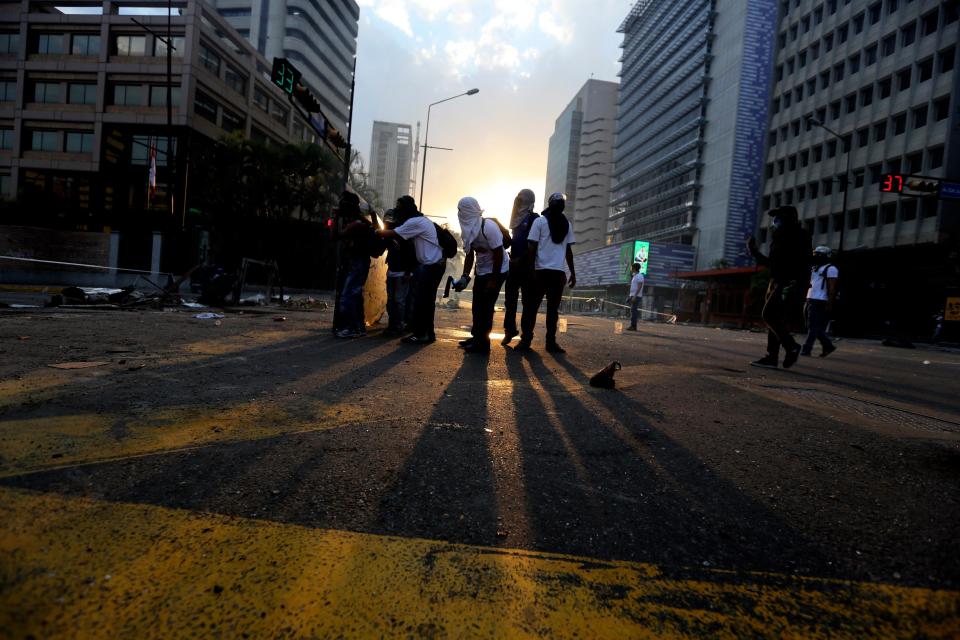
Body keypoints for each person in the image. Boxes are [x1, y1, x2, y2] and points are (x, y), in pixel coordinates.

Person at [747, 205, 812, 368]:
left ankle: (791, 347)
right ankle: (772, 356)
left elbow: (776, 263)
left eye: (778, 218)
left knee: (769, 315)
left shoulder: (789, 235)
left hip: (786, 283)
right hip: (781, 281)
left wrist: (753, 252)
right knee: (775, 319)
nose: (774, 222)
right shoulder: (791, 235)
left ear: (787, 219)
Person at [376, 195, 446, 345]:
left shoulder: (415, 222)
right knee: (426, 302)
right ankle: (427, 334)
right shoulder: (420, 220)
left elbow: (392, 233)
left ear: (407, 209)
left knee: (421, 302)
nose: (397, 211)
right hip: (432, 264)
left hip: (430, 266)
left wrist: (376, 230)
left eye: (400, 208)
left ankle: (420, 334)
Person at [516, 192, 576, 353]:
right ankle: (527, 340)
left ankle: (549, 342)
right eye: (558, 202)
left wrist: (572, 272)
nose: (560, 205)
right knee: (533, 308)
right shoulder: (540, 222)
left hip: (555, 273)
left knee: (549, 310)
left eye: (561, 203)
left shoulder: (566, 224)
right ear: (551, 204)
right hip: (541, 272)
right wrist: (531, 269)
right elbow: (532, 247)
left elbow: (568, 250)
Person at [455, 197, 509, 354]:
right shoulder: (467, 230)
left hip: (498, 270)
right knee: (477, 306)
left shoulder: (489, 227)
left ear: (470, 210)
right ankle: (476, 337)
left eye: (461, 210)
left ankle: (483, 344)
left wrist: (493, 280)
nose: (459, 213)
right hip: (482, 270)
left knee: (485, 307)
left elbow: (499, 254)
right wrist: (465, 277)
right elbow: (470, 255)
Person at [334, 191, 376, 339]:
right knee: (355, 296)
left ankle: (349, 328)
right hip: (356, 262)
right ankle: (359, 327)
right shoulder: (361, 221)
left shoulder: (357, 223)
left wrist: (336, 217)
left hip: (358, 262)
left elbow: (337, 235)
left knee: (348, 295)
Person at [501, 189, 538, 345]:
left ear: (529, 202)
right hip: (513, 266)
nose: (518, 203)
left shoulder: (534, 219)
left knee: (528, 303)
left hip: (528, 267)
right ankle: (509, 331)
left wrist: (521, 260)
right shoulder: (516, 219)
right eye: (517, 200)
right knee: (510, 301)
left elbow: (533, 245)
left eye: (521, 200)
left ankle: (526, 337)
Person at [381, 205, 418, 336]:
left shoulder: (404, 234)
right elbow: (381, 249)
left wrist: (408, 272)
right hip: (392, 271)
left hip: (402, 272)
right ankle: (393, 324)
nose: (387, 223)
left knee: (399, 300)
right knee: (392, 300)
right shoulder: (389, 235)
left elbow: (411, 254)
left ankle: (399, 325)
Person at [801, 245, 838, 357]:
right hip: (810, 299)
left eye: (818, 255)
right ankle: (828, 346)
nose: (815, 256)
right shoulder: (814, 267)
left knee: (813, 326)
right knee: (811, 326)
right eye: (815, 254)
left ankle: (806, 349)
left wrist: (830, 303)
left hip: (820, 300)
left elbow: (832, 288)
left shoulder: (831, 269)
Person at [627, 262, 644, 331]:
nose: (630, 268)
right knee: (632, 310)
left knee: (634, 311)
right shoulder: (635, 276)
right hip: (633, 295)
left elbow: (639, 287)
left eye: (631, 267)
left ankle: (633, 326)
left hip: (636, 296)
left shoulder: (639, 276)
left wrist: (635, 296)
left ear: (634, 268)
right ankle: (632, 325)